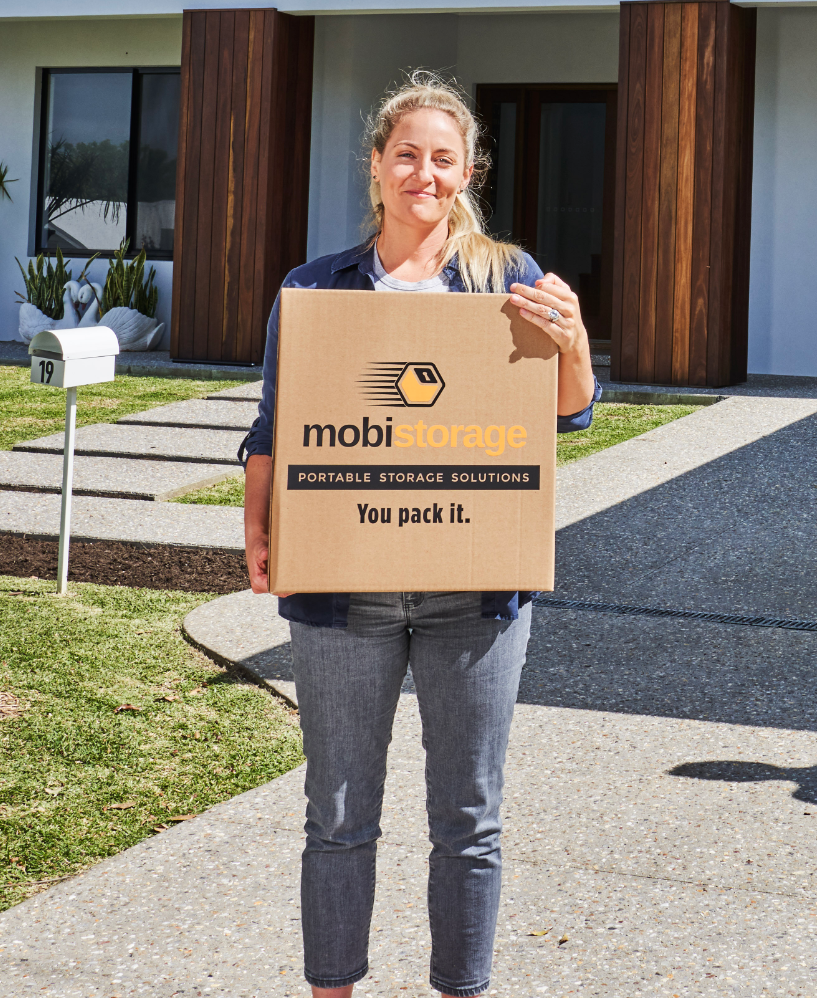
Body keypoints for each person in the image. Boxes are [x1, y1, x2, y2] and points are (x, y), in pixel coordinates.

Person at [240, 71, 600, 998]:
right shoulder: (315, 288)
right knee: (338, 812)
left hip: (474, 596)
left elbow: (565, 416)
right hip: (340, 591)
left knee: (469, 818)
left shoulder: (509, 279)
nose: (424, 174)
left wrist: (575, 346)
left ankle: (461, 989)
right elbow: (278, 429)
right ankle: (333, 989)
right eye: (407, 154)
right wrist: (259, 528)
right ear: (375, 166)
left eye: (444, 158)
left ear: (470, 170)